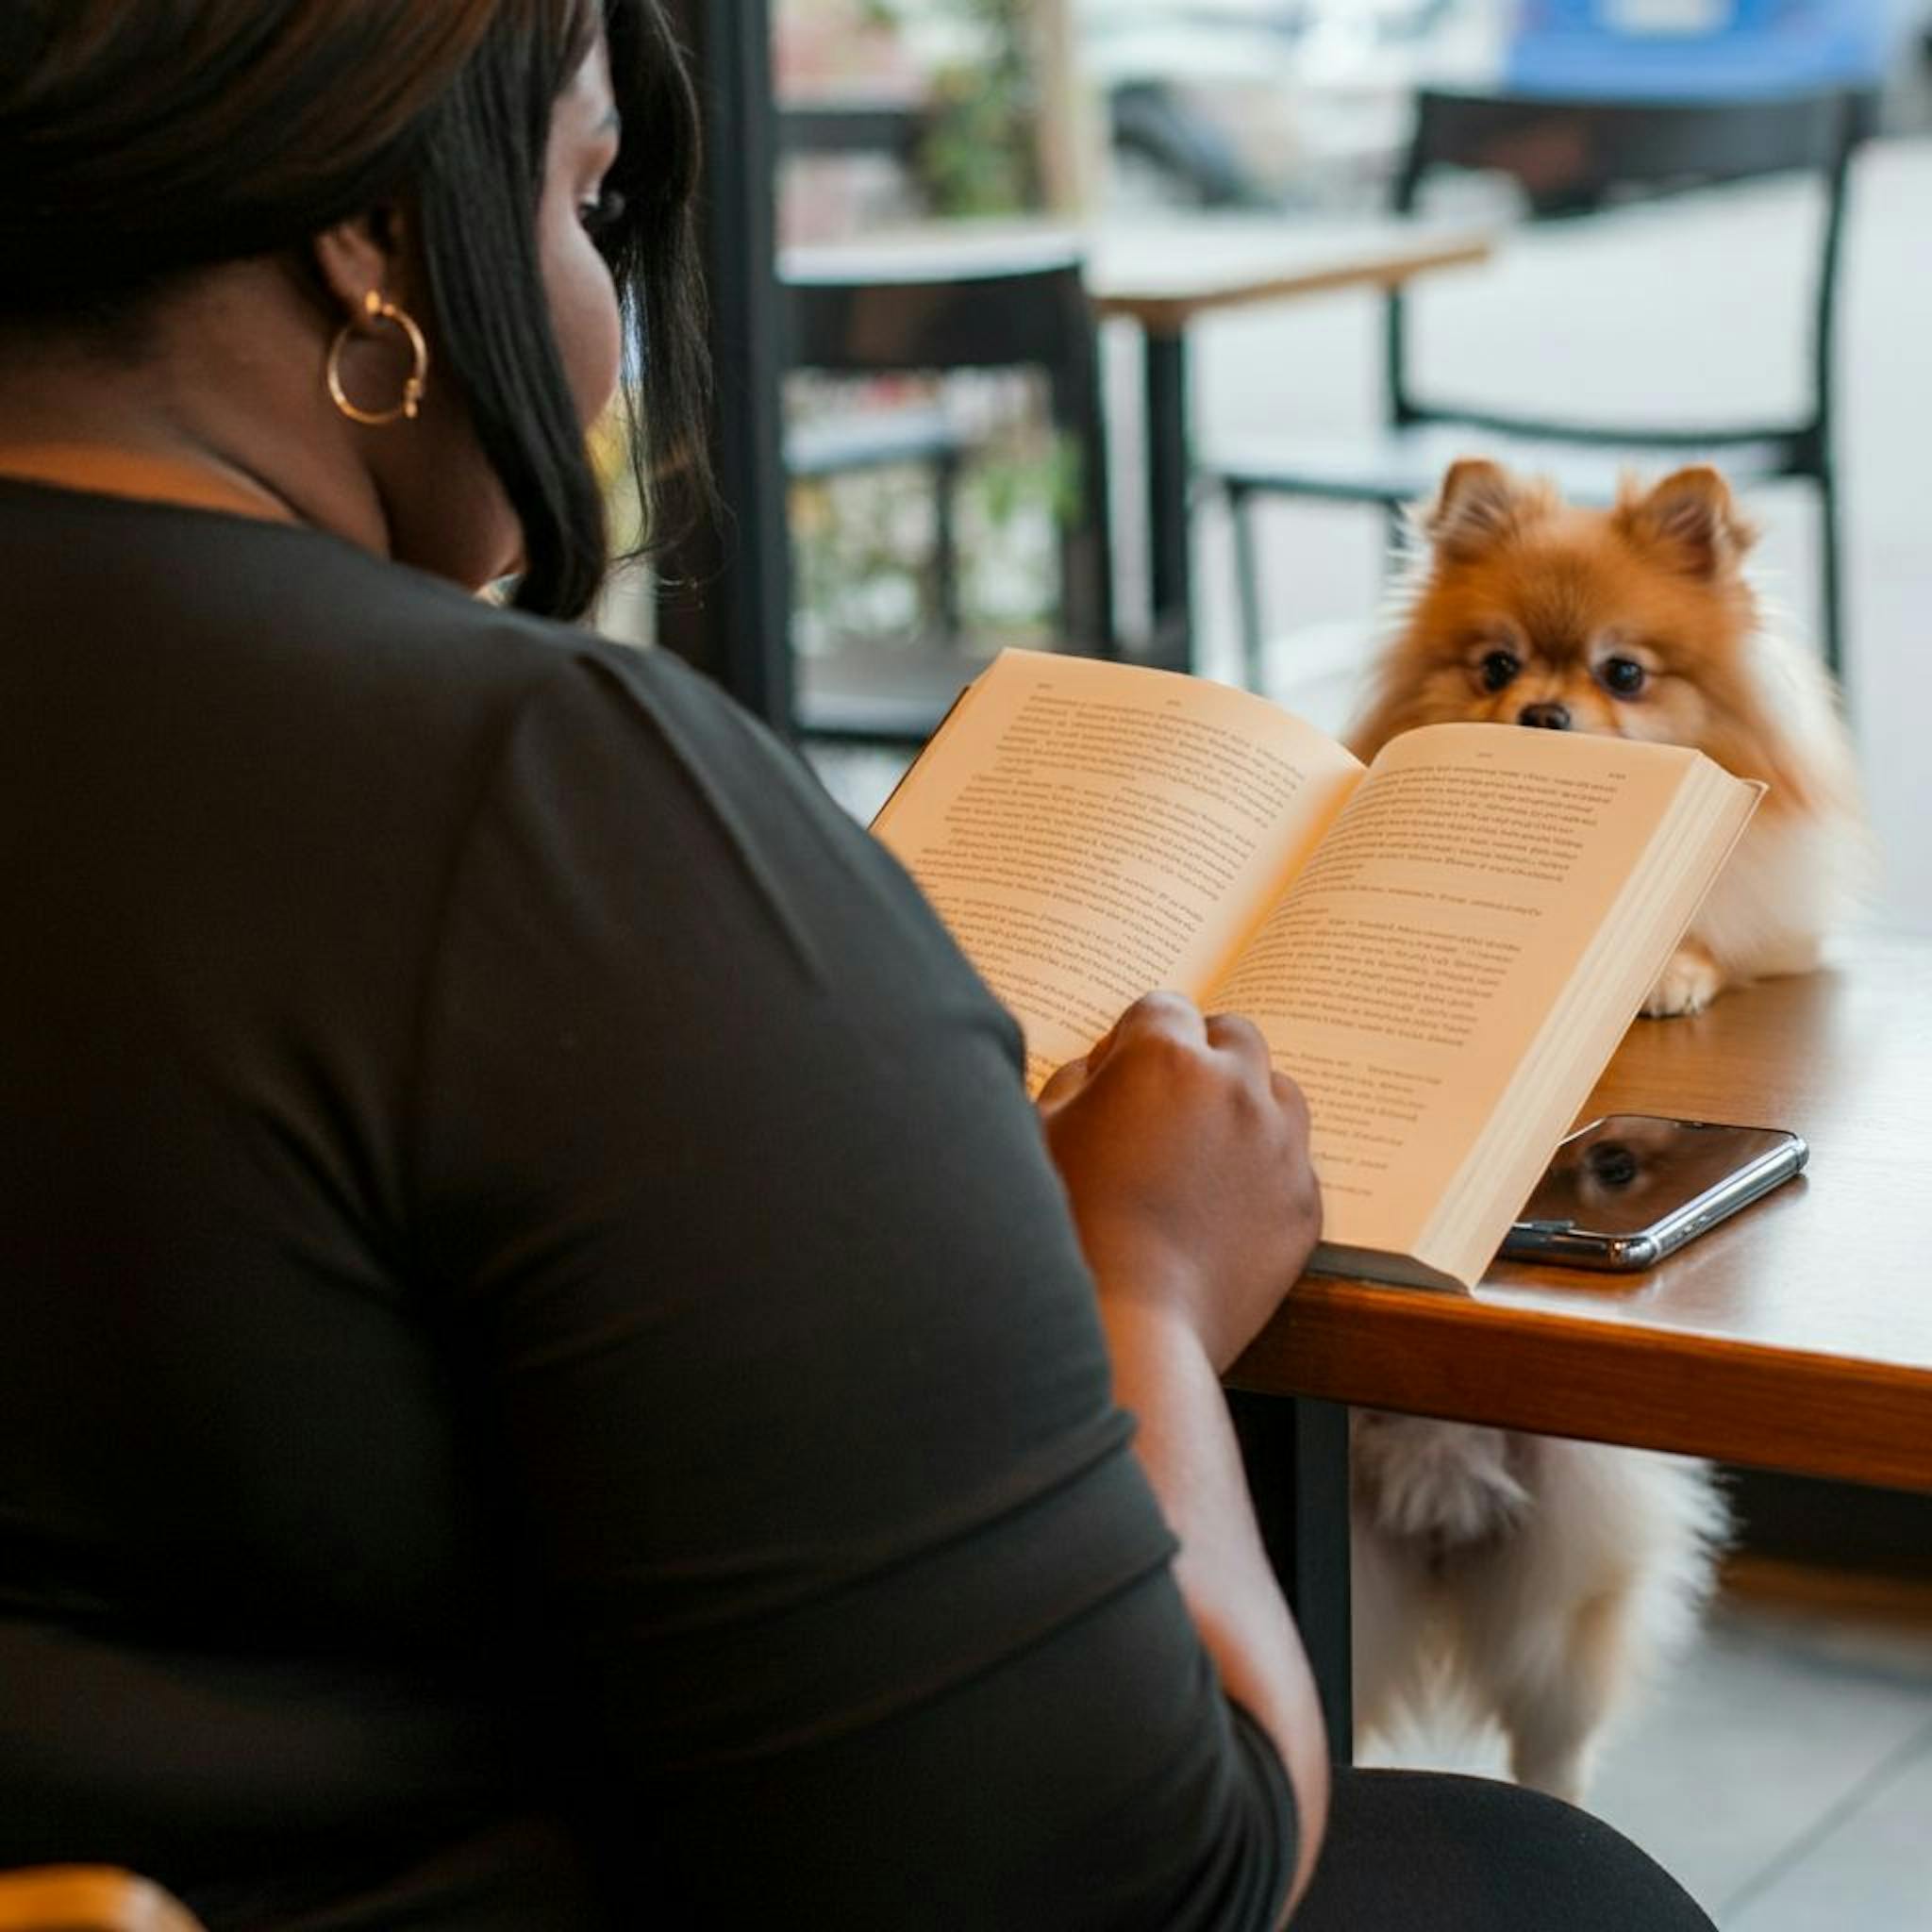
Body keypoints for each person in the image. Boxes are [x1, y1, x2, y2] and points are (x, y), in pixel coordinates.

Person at [0, 4, 1719, 1926]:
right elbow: (1141, 1873)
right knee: (1543, 1885)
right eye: (584, 197)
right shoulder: (530, 806)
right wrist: (1137, 1280)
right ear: (374, 228)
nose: (604, 317)